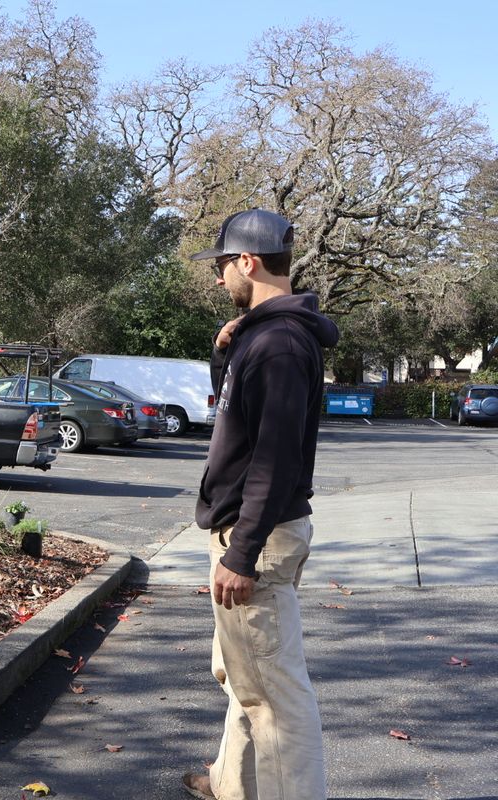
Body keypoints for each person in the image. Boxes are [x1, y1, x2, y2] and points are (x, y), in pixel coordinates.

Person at [184, 209, 339, 800]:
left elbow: (274, 459)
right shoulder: (261, 338)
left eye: (223, 265)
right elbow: (238, 420)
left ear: (248, 262)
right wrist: (225, 354)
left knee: (274, 696)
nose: (219, 277)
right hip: (251, 532)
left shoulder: (278, 346)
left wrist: (242, 552)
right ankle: (230, 783)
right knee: (241, 674)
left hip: (258, 538)